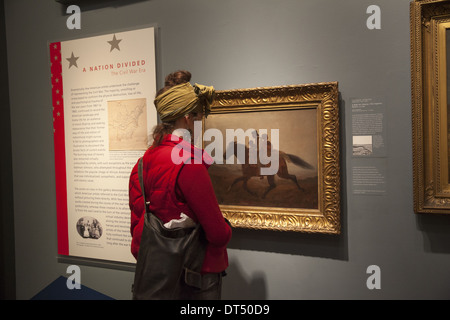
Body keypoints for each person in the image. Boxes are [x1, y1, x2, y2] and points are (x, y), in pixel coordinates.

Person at [128, 70, 232, 299]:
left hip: (155, 277)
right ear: (187, 118)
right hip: (194, 280)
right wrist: (226, 228)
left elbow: (139, 234)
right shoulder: (189, 163)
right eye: (197, 118)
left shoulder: (142, 164)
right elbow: (217, 235)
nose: (198, 125)